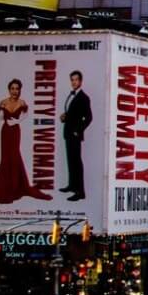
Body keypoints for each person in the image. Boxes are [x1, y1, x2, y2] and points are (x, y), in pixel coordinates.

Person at [0, 79, 51, 203]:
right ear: (9, 89)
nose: (15, 91)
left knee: (14, 155)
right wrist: (1, 109)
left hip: (15, 130)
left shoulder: (22, 103)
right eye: (13, 88)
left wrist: (15, 122)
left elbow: (24, 116)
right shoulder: (3, 102)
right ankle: (4, 185)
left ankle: (16, 186)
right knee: (5, 157)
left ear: (19, 90)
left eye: (17, 88)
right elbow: (0, 118)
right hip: (5, 131)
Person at [60, 70, 93, 201]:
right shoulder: (72, 95)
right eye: (72, 80)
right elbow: (74, 114)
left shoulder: (84, 97)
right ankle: (72, 185)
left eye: (76, 80)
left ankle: (80, 192)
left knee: (76, 162)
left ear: (80, 81)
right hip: (68, 133)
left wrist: (78, 130)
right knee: (71, 160)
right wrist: (65, 117)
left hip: (74, 134)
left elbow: (89, 117)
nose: (74, 82)